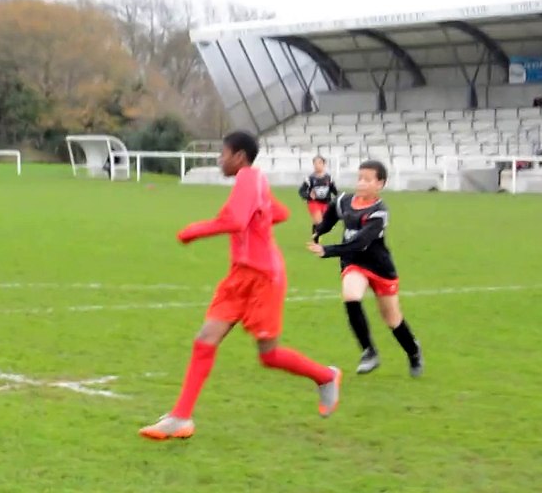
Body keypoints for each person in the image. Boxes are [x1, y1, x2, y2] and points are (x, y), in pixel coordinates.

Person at [139, 130, 342, 442]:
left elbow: (235, 220)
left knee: (269, 355)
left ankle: (326, 376)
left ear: (239, 156)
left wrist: (195, 230)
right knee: (205, 339)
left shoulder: (249, 177)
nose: (219, 160)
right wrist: (258, 219)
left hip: (264, 277)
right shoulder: (254, 180)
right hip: (240, 275)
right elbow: (280, 212)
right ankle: (180, 417)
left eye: (223, 154)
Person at [308, 160, 423, 377]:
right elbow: (332, 213)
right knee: (351, 296)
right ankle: (369, 352)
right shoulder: (344, 200)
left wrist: (327, 250)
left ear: (380, 184)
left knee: (392, 319)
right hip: (354, 263)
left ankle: (413, 351)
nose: (361, 183)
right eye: (359, 178)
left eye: (367, 180)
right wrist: (320, 230)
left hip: (379, 266)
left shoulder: (379, 212)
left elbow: (360, 243)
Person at [298, 155, 337, 233]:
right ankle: (318, 236)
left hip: (326, 203)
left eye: (319, 163)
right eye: (315, 163)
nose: (317, 165)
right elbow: (301, 191)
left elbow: (334, 190)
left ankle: (315, 237)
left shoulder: (329, 178)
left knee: (320, 225)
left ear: (324, 164)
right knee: (319, 222)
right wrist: (308, 196)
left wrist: (340, 197)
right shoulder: (310, 179)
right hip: (314, 203)